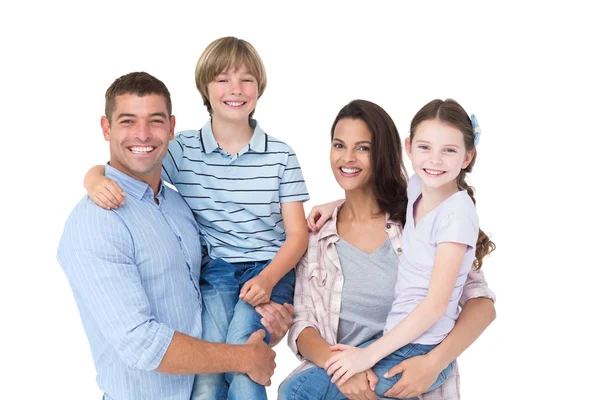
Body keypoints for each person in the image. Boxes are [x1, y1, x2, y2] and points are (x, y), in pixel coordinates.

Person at [83, 37, 309, 400]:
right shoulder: (181, 149)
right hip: (217, 271)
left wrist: (268, 279)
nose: (235, 89)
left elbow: (298, 235)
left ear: (260, 88)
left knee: (244, 351)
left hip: (269, 269)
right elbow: (132, 159)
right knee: (206, 376)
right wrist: (94, 178)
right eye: (222, 79)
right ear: (205, 88)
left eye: (246, 79)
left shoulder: (280, 155)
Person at [278, 99, 496, 400]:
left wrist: (435, 363)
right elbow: (303, 324)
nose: (348, 158)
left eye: (363, 147)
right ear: (411, 149)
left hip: (410, 377)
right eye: (339, 145)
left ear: (385, 153)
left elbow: (481, 304)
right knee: (295, 390)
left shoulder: (421, 216)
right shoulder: (317, 234)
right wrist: (345, 369)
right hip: (347, 377)